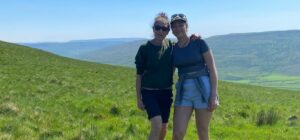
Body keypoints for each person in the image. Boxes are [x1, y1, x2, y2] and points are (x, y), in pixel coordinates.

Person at [170, 13, 219, 140]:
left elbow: (212, 68)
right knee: (177, 134)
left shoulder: (199, 43)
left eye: (181, 25)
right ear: (171, 29)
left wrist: (213, 95)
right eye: (174, 26)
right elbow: (169, 72)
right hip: (183, 92)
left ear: (187, 26)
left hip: (203, 91)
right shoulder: (173, 49)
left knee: (202, 132)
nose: (178, 28)